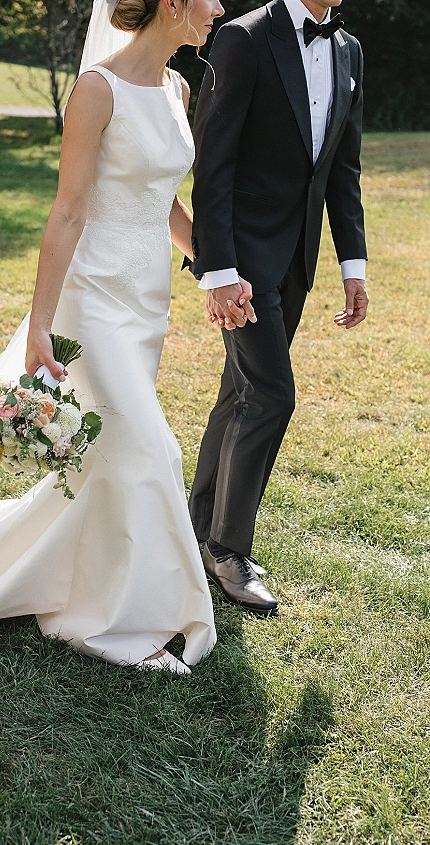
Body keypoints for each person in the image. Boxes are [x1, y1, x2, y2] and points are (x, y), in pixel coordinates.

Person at [0, 0, 225, 674]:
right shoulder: (96, 89)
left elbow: (162, 197)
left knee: (107, 459)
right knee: (151, 453)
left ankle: (90, 577)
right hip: (95, 301)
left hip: (147, 303)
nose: (222, 8)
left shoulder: (177, 87)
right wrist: (40, 326)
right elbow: (68, 210)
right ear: (173, 4)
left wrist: (218, 271)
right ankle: (109, 623)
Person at [187, 0, 368, 615]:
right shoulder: (244, 38)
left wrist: (353, 264)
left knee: (240, 390)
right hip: (241, 262)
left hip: (298, 258)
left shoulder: (348, 51)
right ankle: (229, 550)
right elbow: (213, 160)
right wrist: (216, 269)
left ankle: (197, 525)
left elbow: (342, 168)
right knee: (270, 396)